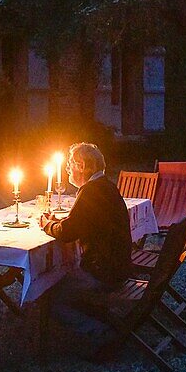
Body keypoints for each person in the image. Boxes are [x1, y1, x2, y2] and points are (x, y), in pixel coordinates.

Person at [39, 142, 131, 355]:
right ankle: (100, 318)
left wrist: (47, 225)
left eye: (70, 165)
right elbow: (80, 222)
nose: (68, 169)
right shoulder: (105, 186)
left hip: (104, 272)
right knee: (59, 283)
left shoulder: (91, 191)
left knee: (48, 296)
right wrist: (59, 223)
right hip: (118, 265)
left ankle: (100, 333)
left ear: (82, 166)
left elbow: (67, 233)